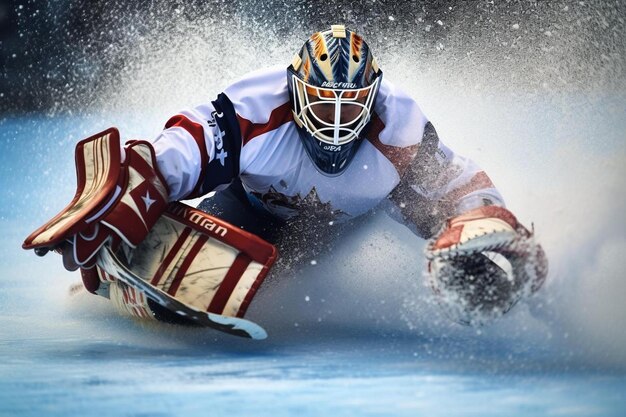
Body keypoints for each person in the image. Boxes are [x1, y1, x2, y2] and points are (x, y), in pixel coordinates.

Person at [24, 25, 547, 326]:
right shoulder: (252, 109)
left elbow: (461, 185)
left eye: (351, 108)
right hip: (250, 207)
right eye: (323, 106)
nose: (337, 125)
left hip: (338, 231)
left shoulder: (400, 130)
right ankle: (91, 291)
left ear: (374, 98)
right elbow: (177, 151)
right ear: (295, 91)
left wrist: (479, 223)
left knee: (461, 252)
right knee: (179, 232)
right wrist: (130, 195)